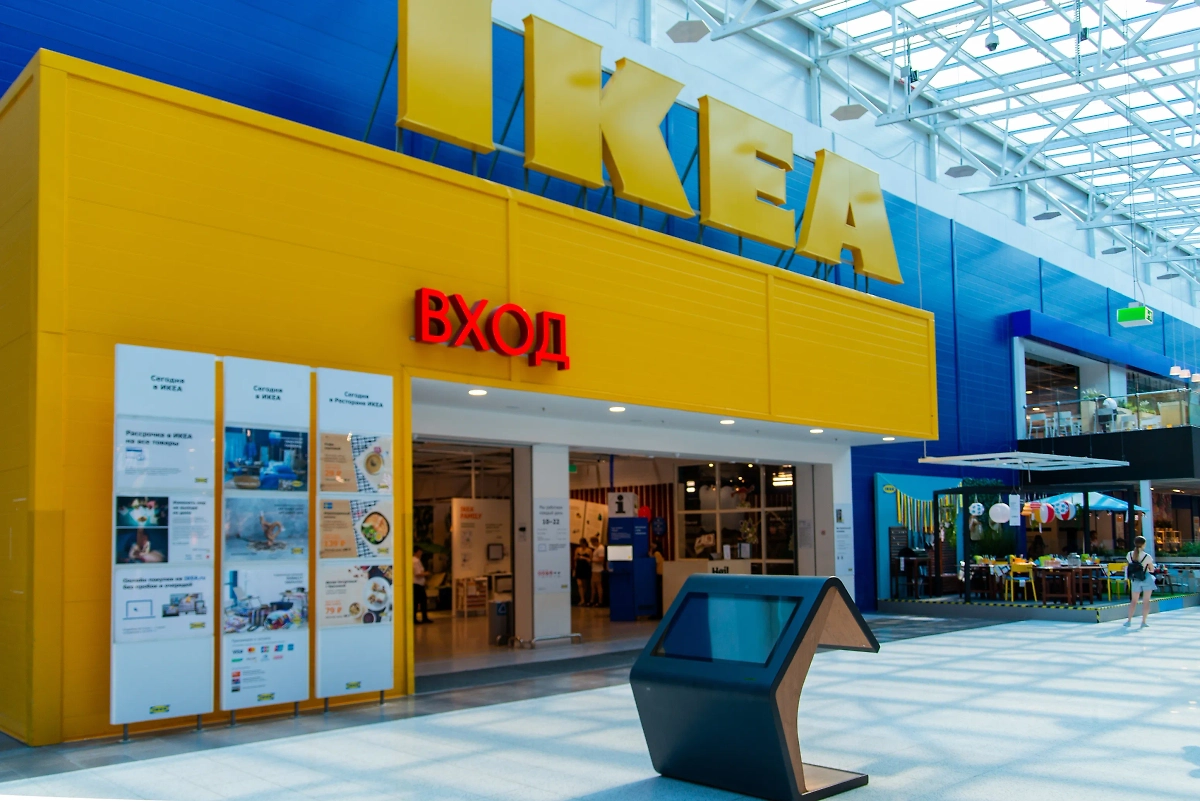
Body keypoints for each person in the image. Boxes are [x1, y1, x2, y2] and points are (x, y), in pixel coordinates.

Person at [1125, 535, 1155, 629]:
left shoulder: (1129, 555)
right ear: (1144, 544)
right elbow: (1152, 569)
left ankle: (1129, 621)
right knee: (1146, 602)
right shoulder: (1147, 556)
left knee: (1134, 601)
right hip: (1146, 578)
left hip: (1135, 579)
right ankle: (1143, 622)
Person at [412, 546, 431, 624]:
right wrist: (426, 573)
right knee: (421, 601)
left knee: (416, 602)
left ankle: (417, 618)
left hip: (417, 583)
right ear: (416, 552)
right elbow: (418, 573)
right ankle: (423, 618)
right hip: (417, 584)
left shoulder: (413, 560)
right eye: (419, 552)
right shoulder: (416, 561)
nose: (421, 553)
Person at [573, 536, 592, 606]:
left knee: (584, 584)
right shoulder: (577, 549)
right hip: (579, 568)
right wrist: (574, 568)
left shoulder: (589, 550)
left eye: (582, 543)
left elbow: (591, 560)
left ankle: (583, 598)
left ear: (585, 543)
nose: (581, 545)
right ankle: (582, 599)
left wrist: (584, 558)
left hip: (585, 568)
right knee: (579, 584)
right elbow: (575, 559)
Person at [589, 536, 606, 607]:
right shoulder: (596, 548)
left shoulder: (601, 548)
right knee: (593, 586)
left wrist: (591, 560)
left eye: (592, 543)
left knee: (598, 586)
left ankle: (600, 601)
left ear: (595, 542)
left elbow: (601, 559)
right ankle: (592, 600)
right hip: (594, 569)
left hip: (598, 570)